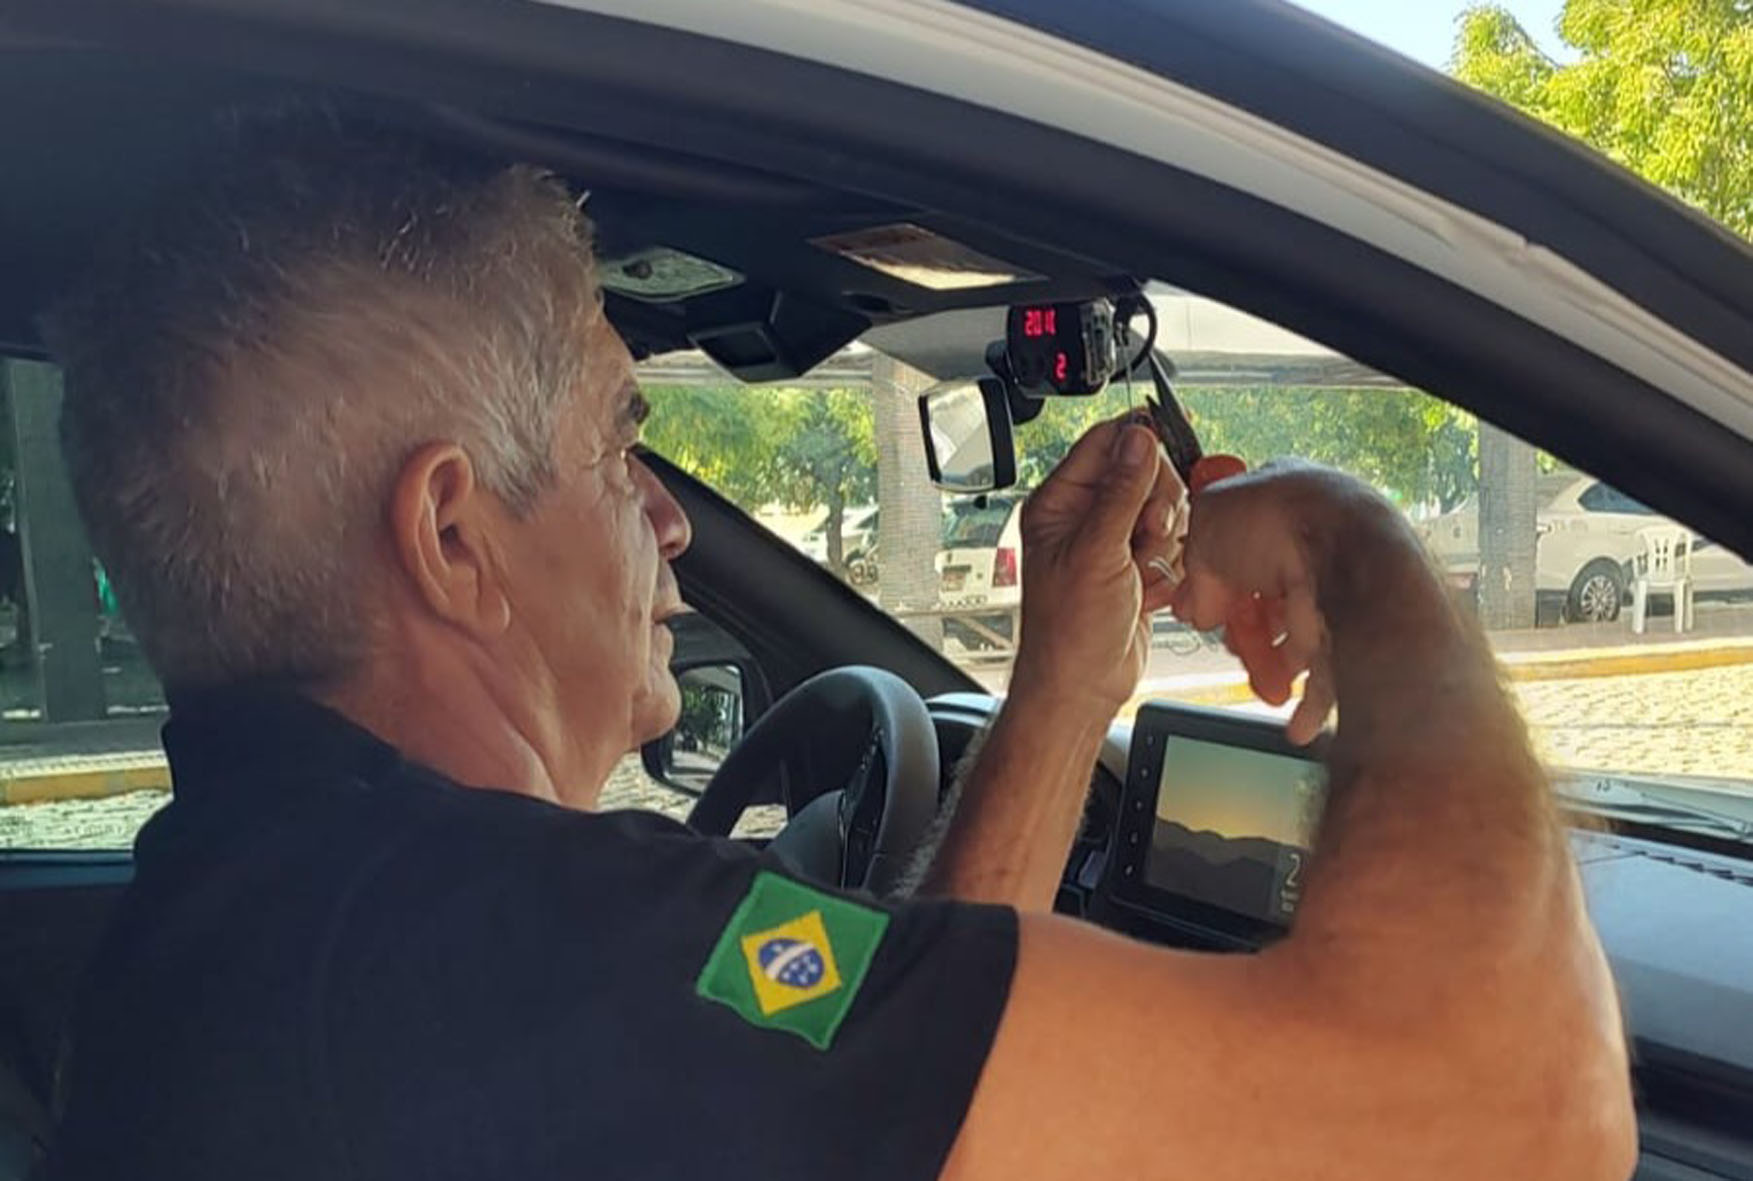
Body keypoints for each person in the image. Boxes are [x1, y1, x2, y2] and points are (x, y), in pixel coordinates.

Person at [42, 114, 1634, 1180]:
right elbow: (1518, 1113)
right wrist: (1354, 543)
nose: (669, 520)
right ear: (453, 538)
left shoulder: (296, 915)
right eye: (620, 444)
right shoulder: (519, 946)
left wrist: (1062, 684)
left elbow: (860, 1049)